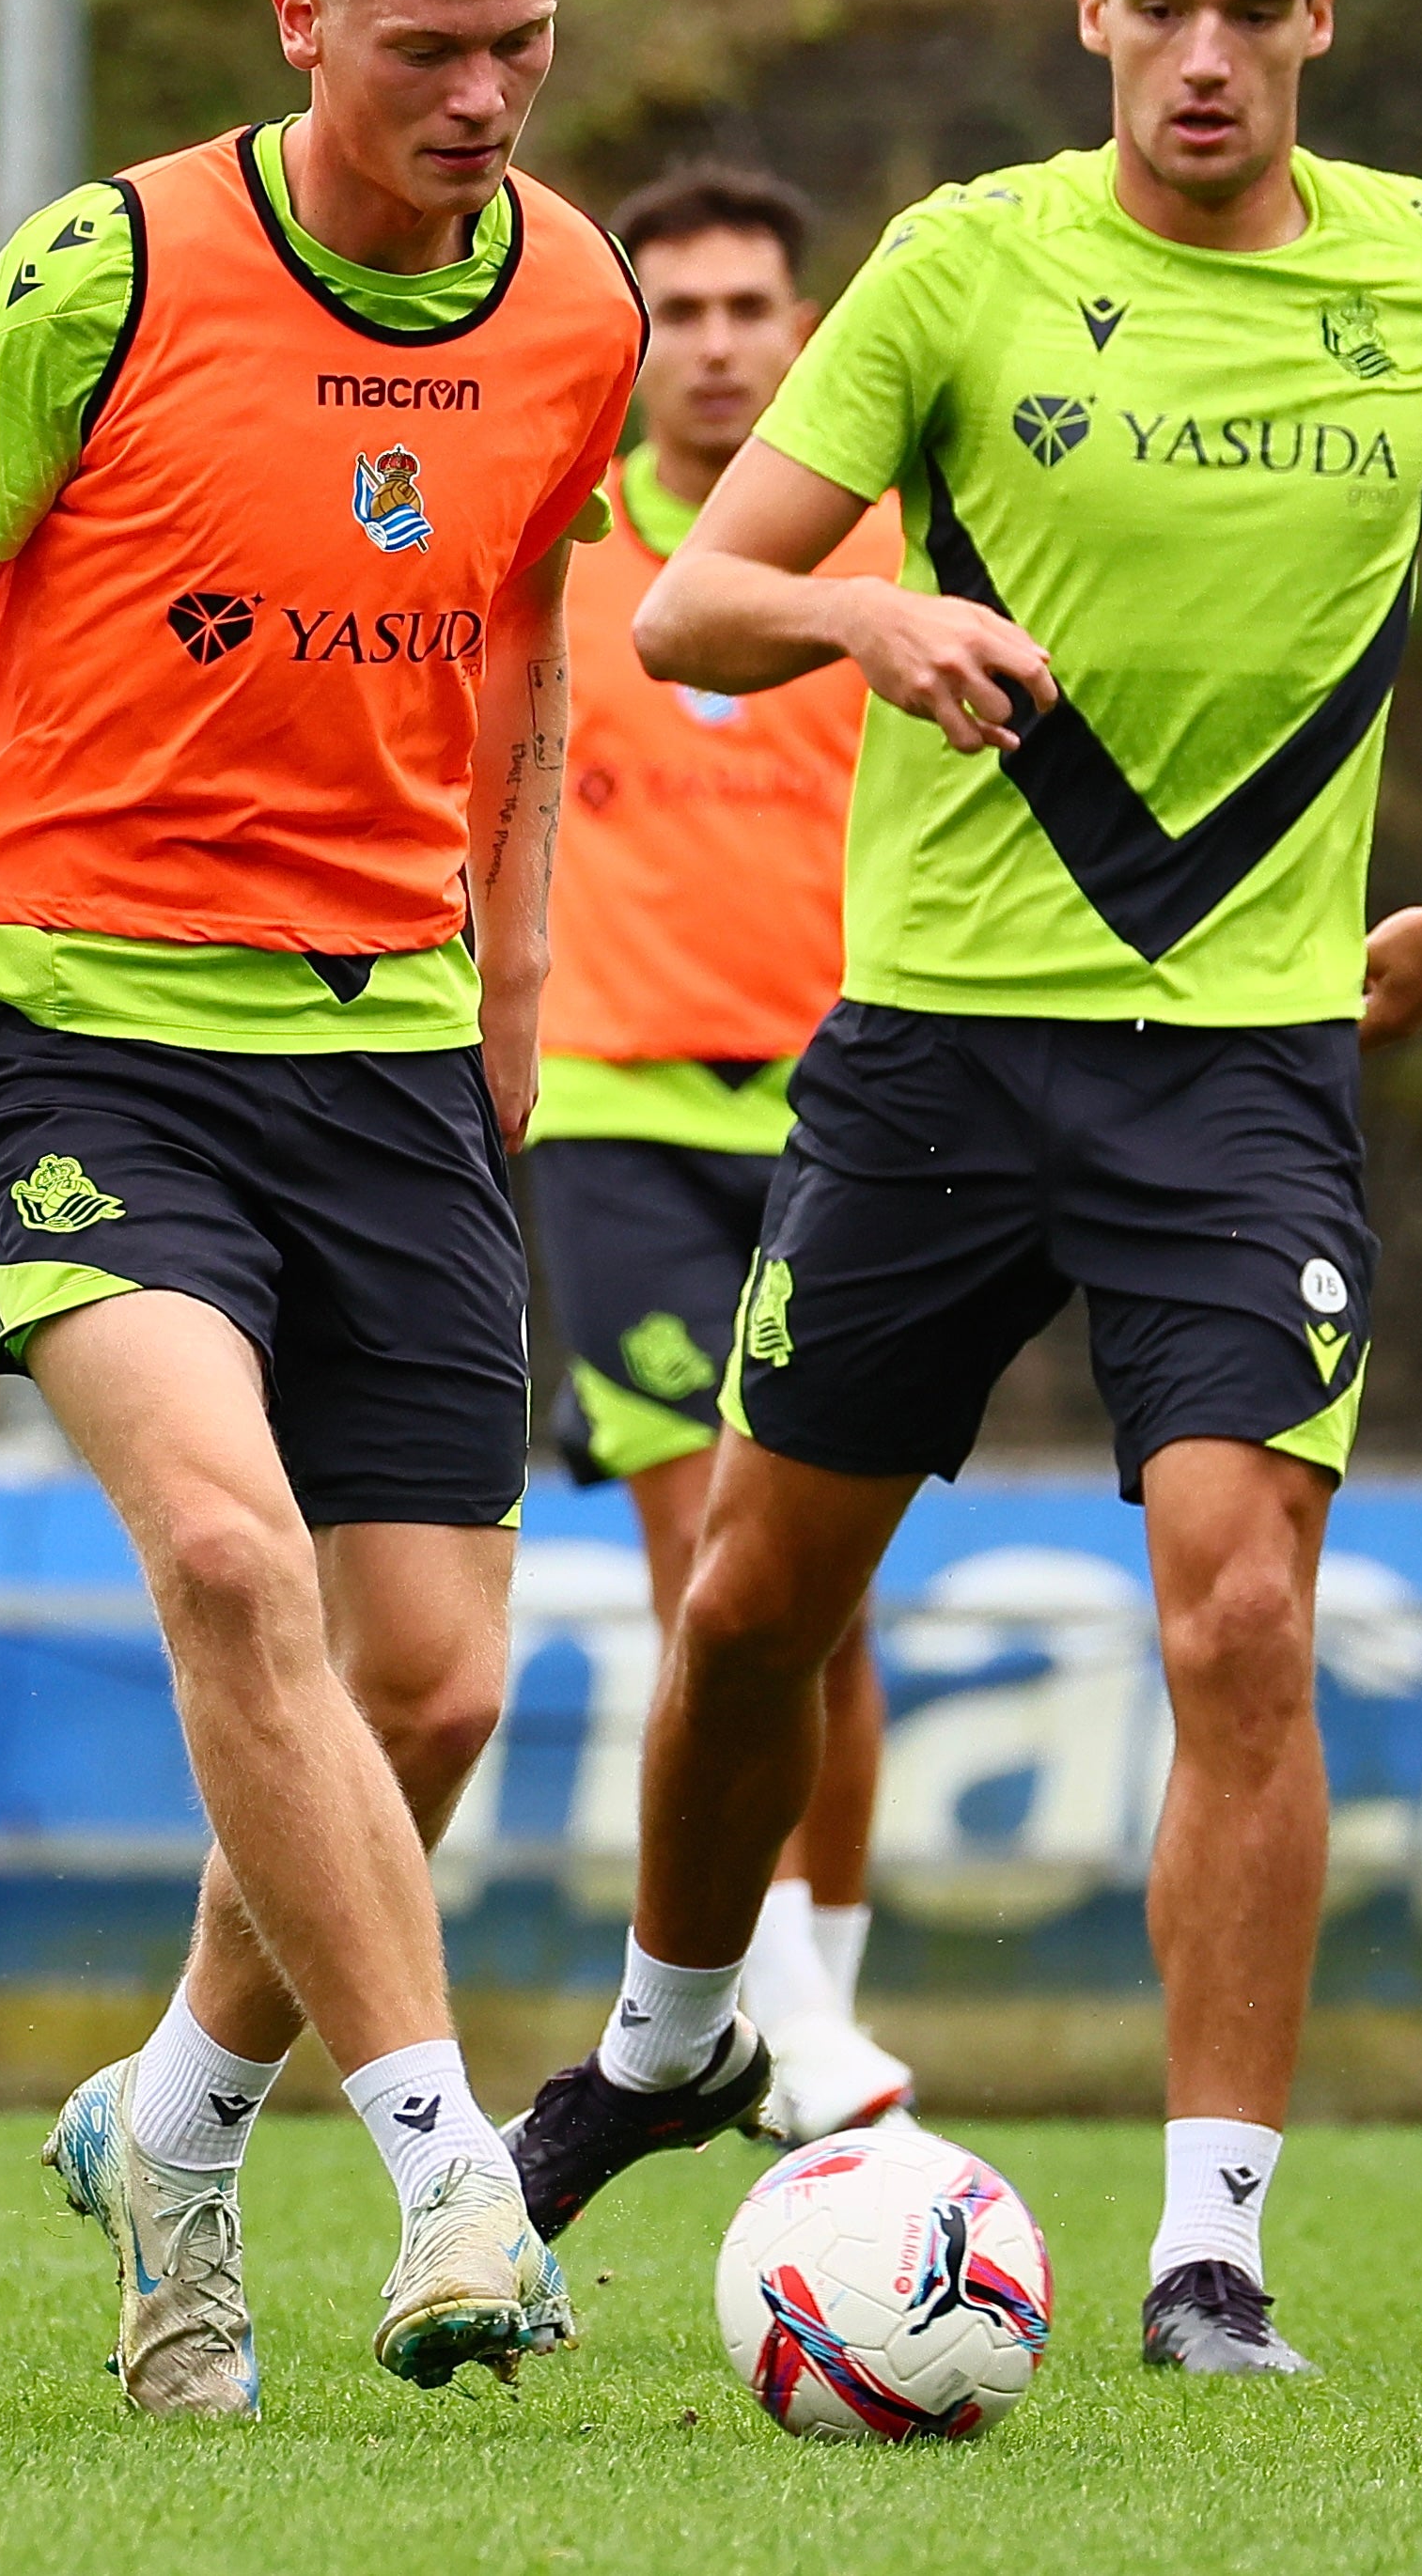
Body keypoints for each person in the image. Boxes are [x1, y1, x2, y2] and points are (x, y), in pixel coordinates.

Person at [506, 0, 1422, 2378]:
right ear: (1087, 11)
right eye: (1154, 6)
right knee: (751, 1604)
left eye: (1248, 10)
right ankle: (666, 2043)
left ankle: (1206, 2246)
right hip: (936, 1057)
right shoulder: (961, 263)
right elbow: (705, 604)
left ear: (1319, 19)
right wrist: (874, 616)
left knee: (1239, 1616)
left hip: (1233, 1076)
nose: (1198, 57)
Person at [0, 0, 644, 2414]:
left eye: (520, 46)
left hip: (382, 1053)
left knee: (439, 1682)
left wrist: (513, 1005)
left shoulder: (568, 305)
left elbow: (515, 655)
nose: (477, 101)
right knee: (230, 1575)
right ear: (300, 18)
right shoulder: (98, 272)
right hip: (78, 1033)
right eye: (422, 50)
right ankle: (446, 2168)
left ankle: (174, 2113)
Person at [529, 161, 912, 2141]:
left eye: (749, 307)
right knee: (716, 1575)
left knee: (829, 1605)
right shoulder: (567, 546)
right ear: (632, 342)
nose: (712, 345)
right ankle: (764, 2010)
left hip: (844, 1123)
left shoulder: (879, 561)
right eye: (670, 312)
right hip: (609, 1121)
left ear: (800, 324)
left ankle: (805, 2011)